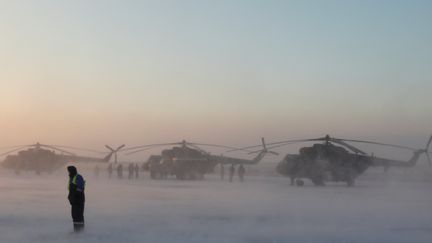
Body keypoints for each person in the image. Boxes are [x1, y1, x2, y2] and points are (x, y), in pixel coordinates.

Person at [67, 166, 85, 232]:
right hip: (74, 202)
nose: (68, 173)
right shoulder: (71, 178)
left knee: (79, 215)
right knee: (74, 215)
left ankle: (80, 231)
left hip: (79, 200)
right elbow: (70, 190)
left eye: (69, 171)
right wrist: (70, 197)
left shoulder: (78, 177)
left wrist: (75, 196)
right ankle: (76, 230)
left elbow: (80, 188)